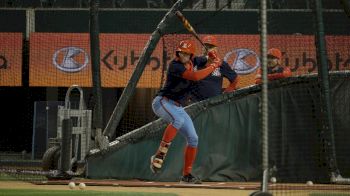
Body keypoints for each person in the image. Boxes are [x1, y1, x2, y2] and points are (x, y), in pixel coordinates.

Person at [150, 39, 221, 184]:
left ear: (191, 55)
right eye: (181, 52)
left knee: (193, 139)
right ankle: (159, 154)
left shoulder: (194, 61)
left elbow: (206, 58)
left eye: (186, 54)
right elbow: (195, 76)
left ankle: (186, 176)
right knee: (178, 120)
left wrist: (211, 56)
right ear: (177, 52)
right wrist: (214, 65)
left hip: (178, 107)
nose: (183, 55)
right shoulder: (175, 66)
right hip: (162, 102)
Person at [188, 35, 238, 103]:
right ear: (202, 48)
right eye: (205, 46)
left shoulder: (221, 64)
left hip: (213, 104)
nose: (207, 49)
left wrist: (227, 92)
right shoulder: (195, 61)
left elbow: (235, 78)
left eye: (210, 47)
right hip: (195, 103)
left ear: (216, 49)